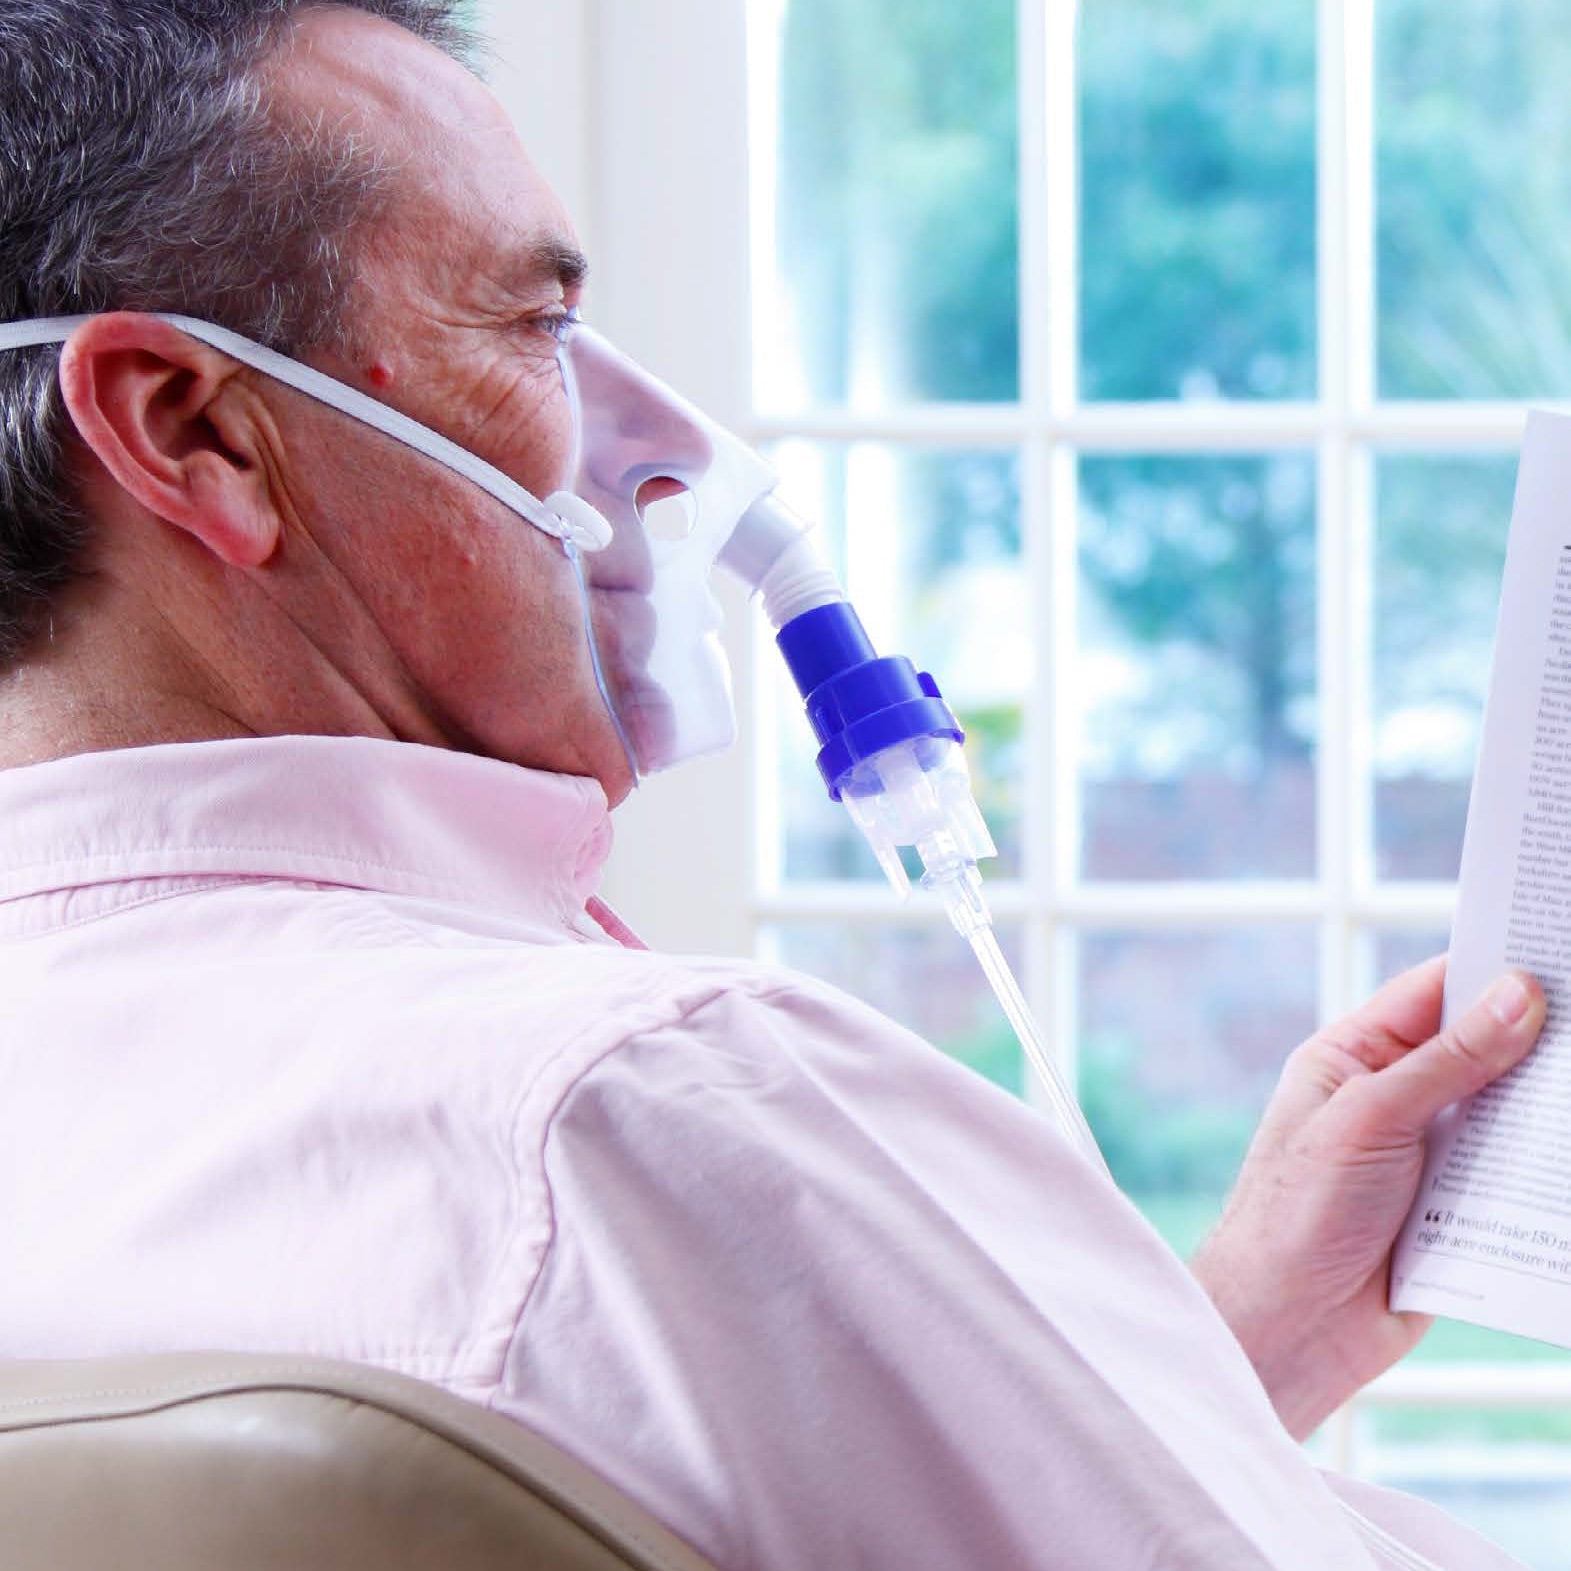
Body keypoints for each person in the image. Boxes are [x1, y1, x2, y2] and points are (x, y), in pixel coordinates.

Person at [0, 4, 1547, 1567]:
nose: (662, 455)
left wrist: (1209, 1367)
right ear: (195, 432)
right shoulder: (643, 1108)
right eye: (533, 331)